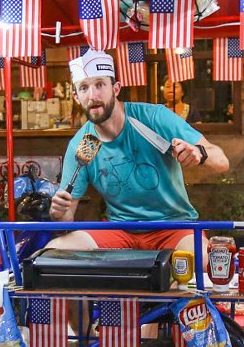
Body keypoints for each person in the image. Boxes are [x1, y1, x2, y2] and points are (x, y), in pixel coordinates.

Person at [48, 49, 229, 253]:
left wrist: (199, 152)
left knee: (204, 259)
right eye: (83, 88)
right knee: (56, 250)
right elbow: (66, 218)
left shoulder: (153, 119)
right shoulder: (84, 144)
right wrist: (59, 214)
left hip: (174, 226)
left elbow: (222, 162)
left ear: (116, 88)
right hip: (120, 229)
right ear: (76, 96)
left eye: (100, 85)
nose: (93, 96)